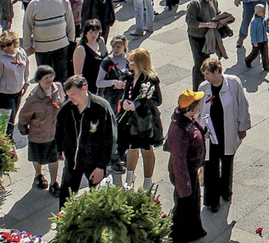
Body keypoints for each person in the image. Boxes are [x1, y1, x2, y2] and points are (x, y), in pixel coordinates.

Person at [198, 56, 251, 213]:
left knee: (227, 162)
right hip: (210, 132)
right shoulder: (203, 87)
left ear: (217, 71)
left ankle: (226, 191)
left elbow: (242, 105)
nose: (205, 77)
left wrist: (243, 127)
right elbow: (199, 110)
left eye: (208, 74)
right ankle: (211, 200)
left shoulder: (233, 83)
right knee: (211, 165)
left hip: (227, 130)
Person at [55, 74, 117, 205]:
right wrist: (60, 149)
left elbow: (110, 138)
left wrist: (101, 166)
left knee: (100, 200)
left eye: (73, 94)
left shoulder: (101, 107)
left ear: (84, 88)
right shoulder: (67, 109)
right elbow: (58, 131)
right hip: (73, 161)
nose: (70, 98)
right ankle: (64, 223)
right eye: (68, 95)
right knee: (66, 198)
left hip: (95, 162)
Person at [164, 89, 207, 243]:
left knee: (194, 201)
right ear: (191, 108)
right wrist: (184, 186)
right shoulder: (180, 130)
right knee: (182, 209)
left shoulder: (185, 119)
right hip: (183, 174)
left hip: (190, 170)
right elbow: (178, 161)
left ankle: (194, 231)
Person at [17, 65, 65, 195]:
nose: (49, 79)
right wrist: (23, 129)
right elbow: (24, 116)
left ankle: (54, 182)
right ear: (39, 79)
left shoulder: (58, 88)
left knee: (54, 158)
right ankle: (38, 175)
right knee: (38, 158)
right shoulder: (33, 99)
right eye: (46, 77)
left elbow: (64, 102)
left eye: (51, 76)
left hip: (54, 132)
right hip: (38, 134)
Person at [120, 48, 163, 190]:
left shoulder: (151, 79)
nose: (128, 65)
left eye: (131, 63)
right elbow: (127, 93)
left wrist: (137, 104)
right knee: (132, 146)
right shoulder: (130, 76)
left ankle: (148, 179)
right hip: (131, 119)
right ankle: (130, 175)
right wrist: (125, 101)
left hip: (145, 121)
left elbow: (156, 100)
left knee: (146, 149)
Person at [22, 0, 76, 82]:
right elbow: (27, 26)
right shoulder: (34, 4)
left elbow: (70, 20)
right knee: (44, 75)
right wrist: (27, 45)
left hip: (62, 45)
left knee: (62, 75)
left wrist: (71, 39)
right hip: (42, 48)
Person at [185, 0, 222, 87]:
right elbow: (190, 22)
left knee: (206, 61)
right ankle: (197, 88)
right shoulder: (195, 3)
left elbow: (217, 13)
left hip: (208, 37)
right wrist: (207, 24)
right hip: (196, 37)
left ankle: (206, 83)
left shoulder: (213, 2)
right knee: (199, 63)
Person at [0, 30, 29, 128]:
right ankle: (8, 141)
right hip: (5, 95)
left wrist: (26, 82)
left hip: (17, 92)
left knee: (12, 119)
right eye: (2, 46)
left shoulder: (21, 52)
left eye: (8, 44)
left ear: (15, 42)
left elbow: (26, 67)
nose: (5, 48)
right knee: (5, 124)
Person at [71, 19, 106, 91]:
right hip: (90, 86)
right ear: (85, 33)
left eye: (96, 32)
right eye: (91, 32)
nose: (94, 35)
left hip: (103, 83)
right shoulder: (81, 49)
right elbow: (78, 74)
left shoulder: (101, 41)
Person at [245, 3, 269, 70]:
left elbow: (266, 27)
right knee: (255, 53)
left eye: (264, 11)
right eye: (262, 12)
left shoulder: (264, 20)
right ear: (257, 12)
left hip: (264, 39)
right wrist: (254, 42)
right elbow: (253, 33)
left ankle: (266, 66)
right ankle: (248, 60)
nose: (264, 13)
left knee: (265, 53)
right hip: (257, 41)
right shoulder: (254, 22)